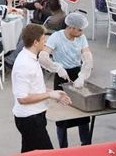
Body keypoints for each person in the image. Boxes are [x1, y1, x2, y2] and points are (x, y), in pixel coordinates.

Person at [11, 23, 71, 153]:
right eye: (43, 39)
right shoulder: (24, 64)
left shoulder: (30, 57)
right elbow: (22, 98)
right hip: (30, 119)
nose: (46, 41)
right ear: (35, 42)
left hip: (35, 116)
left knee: (29, 152)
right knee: (47, 153)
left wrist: (53, 92)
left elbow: (34, 88)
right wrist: (50, 95)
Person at [39, 13, 93, 147]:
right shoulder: (56, 37)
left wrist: (83, 75)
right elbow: (43, 56)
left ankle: (86, 144)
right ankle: (63, 147)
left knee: (82, 112)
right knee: (62, 114)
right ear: (70, 27)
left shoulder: (81, 38)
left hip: (77, 72)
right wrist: (56, 67)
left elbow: (87, 57)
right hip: (61, 75)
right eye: (79, 29)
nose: (81, 32)